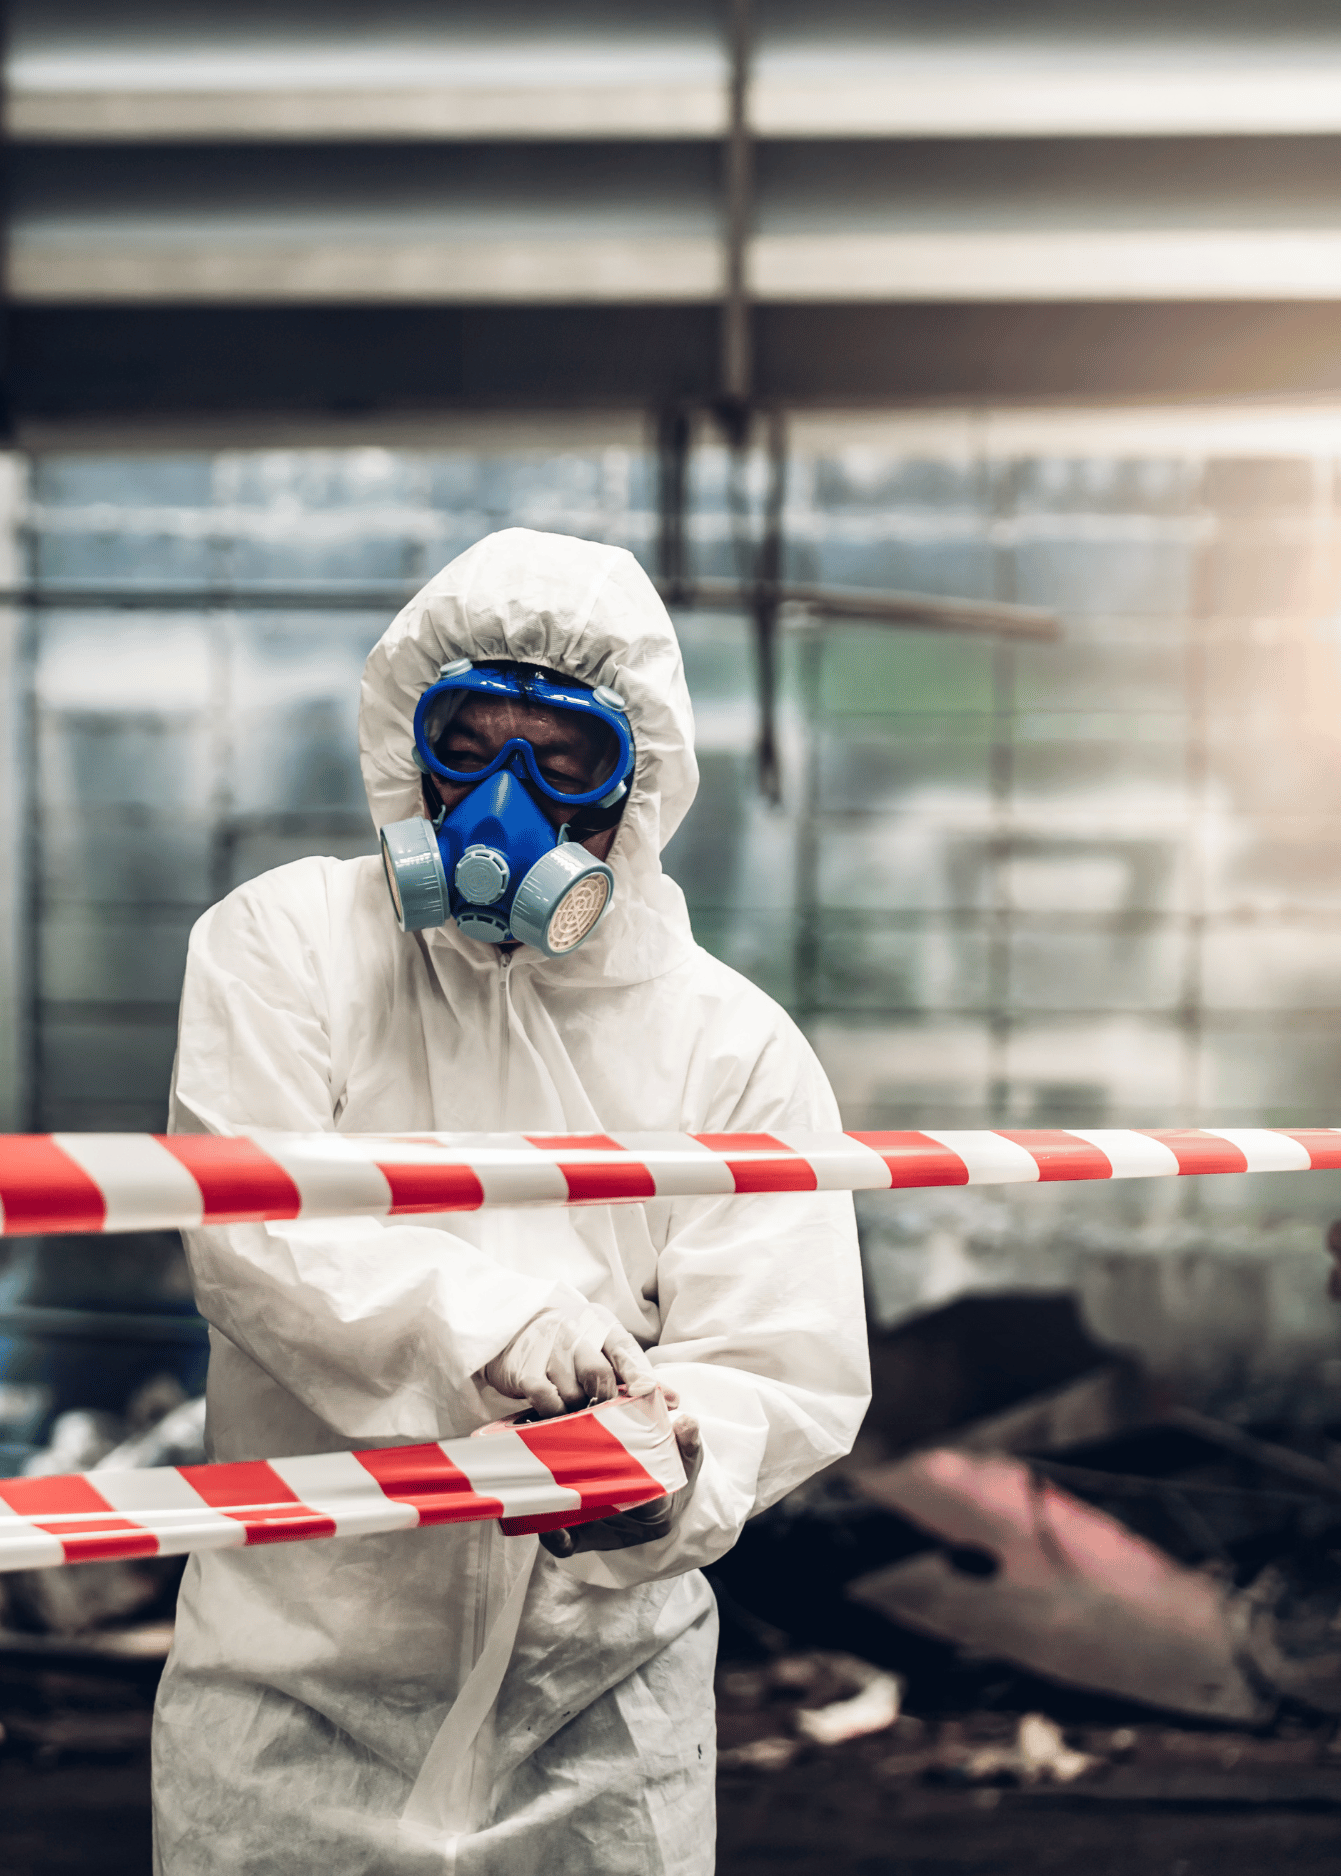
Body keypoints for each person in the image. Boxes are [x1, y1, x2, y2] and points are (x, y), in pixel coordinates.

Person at [151, 527, 871, 1876]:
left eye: (562, 761)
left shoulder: (732, 1046)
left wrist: (669, 1466)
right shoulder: (284, 947)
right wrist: (511, 1335)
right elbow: (258, 1233)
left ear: (638, 784)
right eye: (466, 747)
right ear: (401, 748)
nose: (502, 806)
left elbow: (785, 1364)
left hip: (595, 1725)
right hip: (293, 1700)